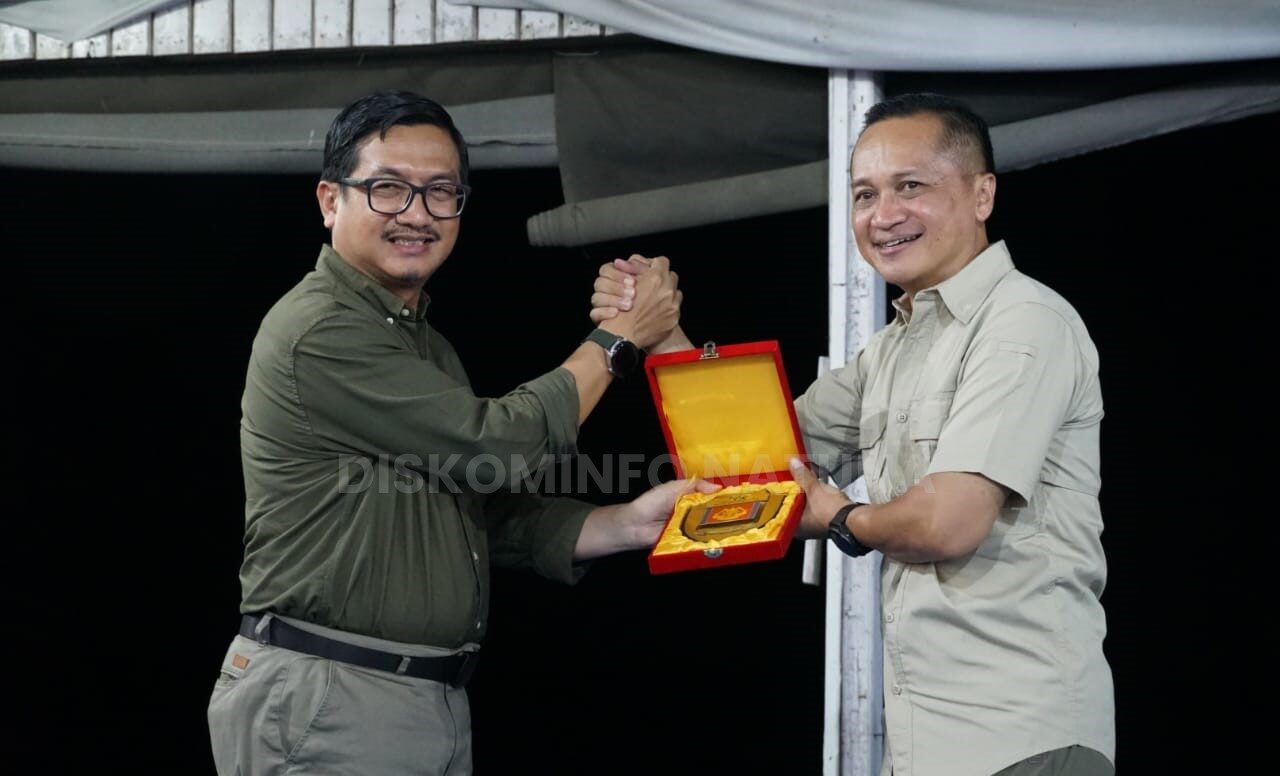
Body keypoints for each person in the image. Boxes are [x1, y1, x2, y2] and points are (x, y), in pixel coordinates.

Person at [591, 93, 1115, 775]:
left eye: (911, 186)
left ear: (982, 194)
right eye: (865, 194)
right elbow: (747, 451)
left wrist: (837, 516)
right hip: (931, 745)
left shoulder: (1024, 323)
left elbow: (947, 523)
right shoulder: (894, 349)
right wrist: (661, 334)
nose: (883, 215)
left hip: (1019, 737)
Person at [207, 90, 714, 776]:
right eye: (388, 189)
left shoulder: (421, 344)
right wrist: (620, 340)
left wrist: (627, 522)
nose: (417, 213)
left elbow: (477, 510)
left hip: (409, 697)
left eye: (441, 192)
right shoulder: (322, 330)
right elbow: (496, 448)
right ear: (331, 201)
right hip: (332, 694)